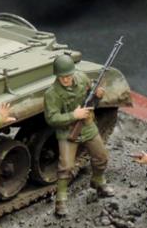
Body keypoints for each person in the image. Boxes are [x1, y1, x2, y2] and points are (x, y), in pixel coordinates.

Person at [42, 54, 116, 217]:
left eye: (68, 75)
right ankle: (61, 200)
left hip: (87, 125)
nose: (66, 79)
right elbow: (52, 119)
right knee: (66, 167)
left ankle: (98, 181)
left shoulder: (82, 79)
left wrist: (97, 96)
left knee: (101, 156)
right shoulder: (51, 94)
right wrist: (74, 115)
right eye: (62, 77)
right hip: (67, 130)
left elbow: (91, 101)